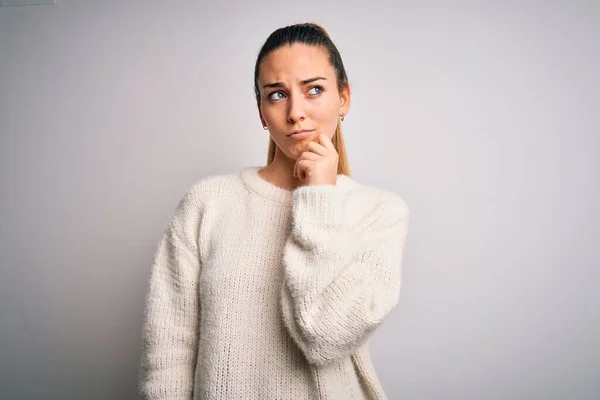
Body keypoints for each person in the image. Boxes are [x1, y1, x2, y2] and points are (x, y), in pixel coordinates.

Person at [138, 22, 410, 400]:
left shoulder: (379, 213)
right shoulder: (208, 203)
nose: (296, 112)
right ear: (261, 110)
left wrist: (319, 196)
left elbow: (323, 336)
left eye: (314, 89)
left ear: (343, 98)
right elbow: (169, 352)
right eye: (277, 95)